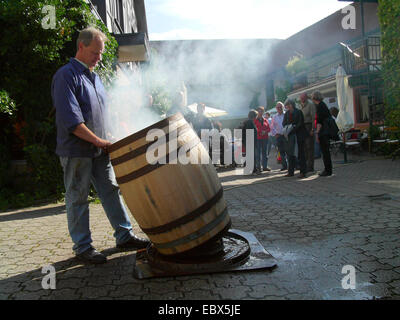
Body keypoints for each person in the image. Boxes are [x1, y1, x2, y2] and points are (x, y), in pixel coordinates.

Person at [51, 27, 149, 264]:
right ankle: (83, 247)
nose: (99, 57)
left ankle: (124, 235)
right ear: (81, 46)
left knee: (111, 191)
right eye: (95, 52)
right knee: (78, 197)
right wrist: (100, 141)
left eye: (101, 53)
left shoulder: (94, 78)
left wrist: (112, 135)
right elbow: (71, 121)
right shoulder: (66, 76)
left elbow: (103, 115)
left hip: (99, 149)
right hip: (77, 151)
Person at [282, 99, 307, 178]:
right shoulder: (287, 113)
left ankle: (303, 172)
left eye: (289, 105)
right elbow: (284, 123)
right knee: (290, 154)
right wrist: (288, 128)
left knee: (300, 154)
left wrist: (293, 128)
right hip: (290, 136)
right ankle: (290, 172)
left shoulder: (298, 112)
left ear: (292, 104)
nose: (288, 106)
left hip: (298, 135)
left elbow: (300, 123)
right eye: (287, 105)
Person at [312, 91, 333, 176]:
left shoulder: (320, 106)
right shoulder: (323, 105)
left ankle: (327, 170)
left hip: (323, 132)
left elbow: (319, 121)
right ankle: (328, 169)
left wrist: (317, 132)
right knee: (326, 151)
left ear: (314, 98)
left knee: (325, 152)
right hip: (326, 131)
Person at [299, 93, 316, 173]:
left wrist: (313, 129)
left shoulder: (310, 104)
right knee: (304, 147)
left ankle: (310, 166)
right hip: (302, 127)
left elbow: (314, 118)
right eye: (300, 98)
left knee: (310, 147)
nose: (301, 99)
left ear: (306, 97)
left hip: (309, 126)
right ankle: (305, 165)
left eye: (303, 97)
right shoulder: (300, 105)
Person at [271, 102, 288, 171]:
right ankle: (284, 166)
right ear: (276, 108)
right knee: (281, 152)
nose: (279, 108)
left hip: (286, 135)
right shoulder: (274, 117)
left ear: (283, 107)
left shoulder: (286, 114)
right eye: (278, 107)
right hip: (279, 136)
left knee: (289, 151)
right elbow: (272, 127)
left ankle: (293, 165)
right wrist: (275, 134)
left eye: (280, 107)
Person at [253, 106, 271, 173]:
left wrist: (265, 131)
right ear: (257, 112)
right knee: (258, 154)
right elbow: (254, 128)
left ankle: (265, 167)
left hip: (265, 138)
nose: (260, 112)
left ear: (263, 112)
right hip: (258, 138)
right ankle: (259, 168)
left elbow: (269, 129)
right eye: (259, 111)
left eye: (262, 111)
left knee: (265, 153)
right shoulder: (255, 120)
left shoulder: (265, 120)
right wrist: (260, 132)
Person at [241, 110, 258, 174]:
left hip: (248, 142)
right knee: (251, 156)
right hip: (250, 142)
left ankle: (249, 169)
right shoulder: (250, 122)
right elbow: (249, 133)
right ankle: (253, 169)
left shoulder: (247, 122)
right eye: (256, 116)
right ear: (254, 116)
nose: (256, 117)